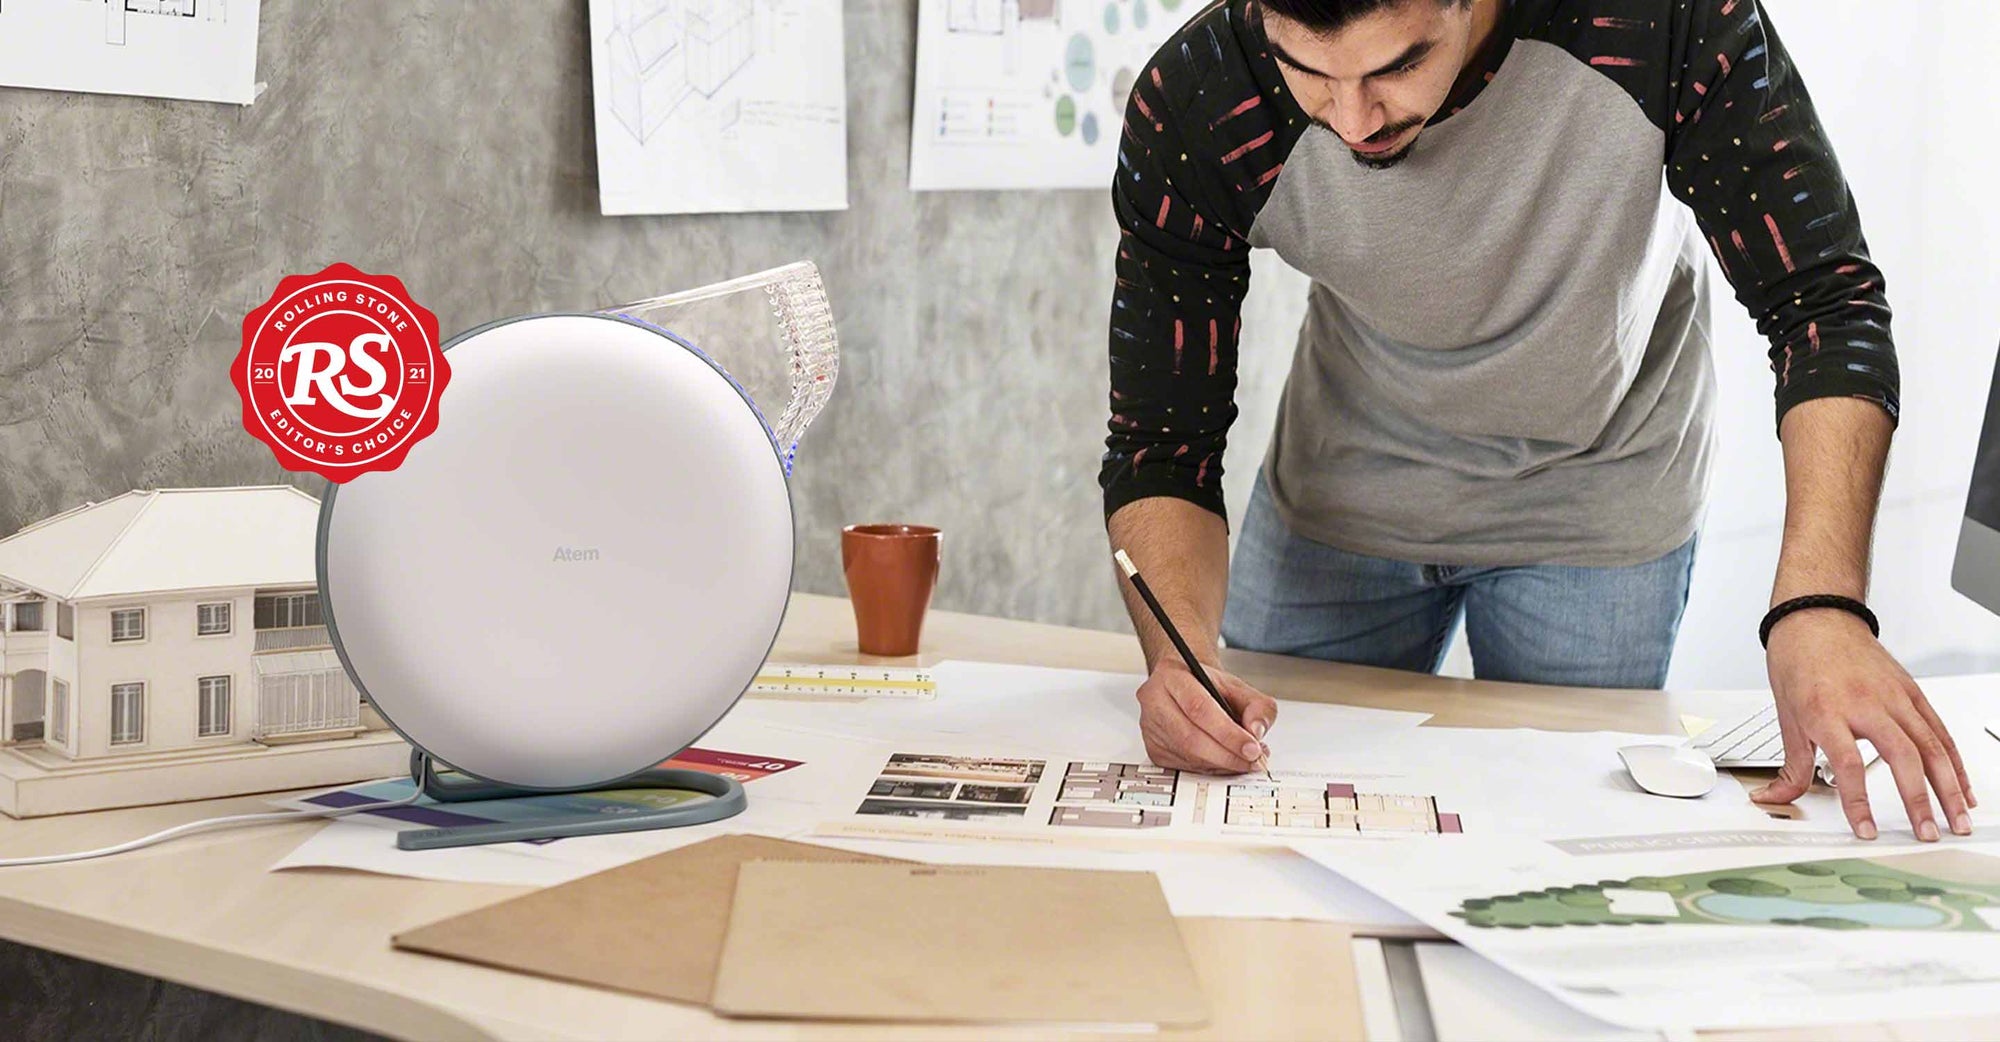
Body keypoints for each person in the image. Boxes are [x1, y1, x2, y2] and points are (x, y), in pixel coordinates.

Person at [1099, 0, 1974, 841]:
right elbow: (1161, 446)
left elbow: (1823, 304)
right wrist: (1179, 657)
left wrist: (1821, 606)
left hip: (1600, 488)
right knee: (1261, 812)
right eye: (1309, 74)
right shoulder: (1203, 100)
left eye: (1397, 65)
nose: (1354, 119)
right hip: (1350, 478)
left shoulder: (1660, 20)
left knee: (1568, 831)